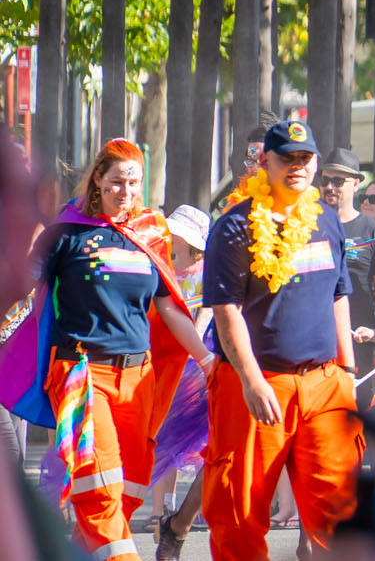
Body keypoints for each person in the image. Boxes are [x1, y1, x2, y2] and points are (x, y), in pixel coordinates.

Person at [20, 140, 209, 561]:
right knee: (98, 488)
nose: (126, 190)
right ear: (98, 181)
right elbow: (19, 285)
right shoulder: (65, 233)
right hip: (79, 376)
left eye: (134, 182)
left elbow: (171, 308)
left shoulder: (148, 235)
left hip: (139, 379)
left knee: (131, 489)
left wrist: (208, 359)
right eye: (117, 182)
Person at [202, 120, 363, 558]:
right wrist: (252, 382)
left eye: (304, 157)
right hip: (254, 383)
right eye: (286, 158)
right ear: (264, 162)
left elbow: (339, 295)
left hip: (325, 383)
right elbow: (226, 310)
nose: (297, 166)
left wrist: (347, 372)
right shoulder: (235, 225)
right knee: (239, 515)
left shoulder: (327, 219)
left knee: (340, 515)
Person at [153, 205, 211, 561]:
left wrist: (197, 351)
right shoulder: (163, 267)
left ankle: (188, 511)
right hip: (165, 358)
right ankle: (161, 509)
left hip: (194, 359)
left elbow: (205, 315)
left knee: (192, 440)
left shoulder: (205, 273)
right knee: (165, 436)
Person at [321, 148, 375, 390]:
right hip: (315, 344)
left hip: (358, 344)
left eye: (338, 181)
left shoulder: (374, 233)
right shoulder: (306, 227)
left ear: (355, 184)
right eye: (325, 180)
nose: (330, 187)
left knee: (354, 424)